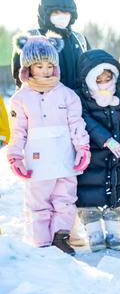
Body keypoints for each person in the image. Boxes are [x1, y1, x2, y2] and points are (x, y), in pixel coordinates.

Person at [6, 37, 90, 255]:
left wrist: (83, 147)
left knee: (65, 199)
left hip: (64, 156)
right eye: (39, 65)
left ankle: (60, 237)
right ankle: (41, 242)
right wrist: (15, 156)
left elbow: (76, 123)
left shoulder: (67, 95)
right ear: (28, 68)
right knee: (38, 201)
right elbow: (18, 130)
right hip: (37, 159)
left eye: (50, 66)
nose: (45, 70)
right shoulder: (20, 98)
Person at [75, 49, 120, 252]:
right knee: (89, 196)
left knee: (117, 194)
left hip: (118, 156)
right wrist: (106, 139)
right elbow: (86, 121)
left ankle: (114, 233)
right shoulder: (82, 99)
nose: (104, 82)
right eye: (99, 78)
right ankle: (94, 233)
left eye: (108, 77)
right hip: (93, 155)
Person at [12, 0, 90, 89]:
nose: (62, 17)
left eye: (66, 13)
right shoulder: (32, 37)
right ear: (45, 13)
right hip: (41, 101)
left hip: (77, 102)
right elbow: (20, 73)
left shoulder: (80, 39)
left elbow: (91, 68)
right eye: (56, 12)